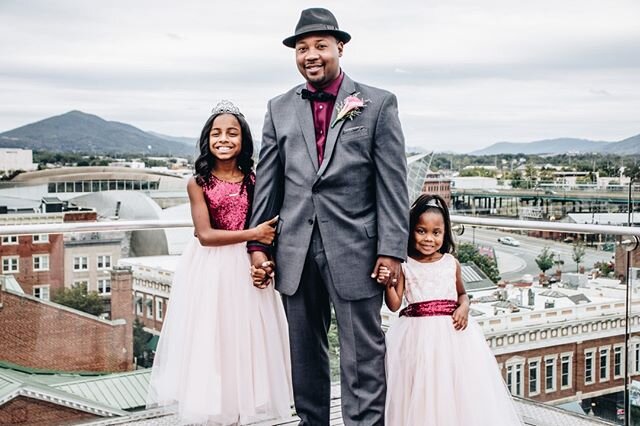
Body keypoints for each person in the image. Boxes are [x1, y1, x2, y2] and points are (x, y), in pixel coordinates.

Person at [248, 7, 409, 425]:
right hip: (294, 250)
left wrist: (391, 251)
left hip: (358, 248)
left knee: (363, 354)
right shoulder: (278, 108)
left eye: (320, 45)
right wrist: (257, 246)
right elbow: (268, 182)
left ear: (341, 46)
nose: (310, 55)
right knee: (304, 354)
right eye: (302, 48)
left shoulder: (377, 104)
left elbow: (392, 185)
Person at [146, 100, 292, 425]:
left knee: (246, 339)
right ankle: (216, 410)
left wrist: (262, 257)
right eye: (216, 133)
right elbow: (205, 234)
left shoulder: (255, 181)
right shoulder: (198, 182)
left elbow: (271, 225)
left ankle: (241, 410)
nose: (223, 139)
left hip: (246, 266)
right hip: (210, 268)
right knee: (212, 338)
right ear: (207, 139)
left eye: (232, 133)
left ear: (244, 141)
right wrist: (253, 232)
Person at [380, 194, 523, 425]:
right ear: (411, 231)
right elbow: (395, 304)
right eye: (421, 231)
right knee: (424, 390)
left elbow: (462, 294)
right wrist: (389, 284)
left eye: (436, 232)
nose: (429, 238)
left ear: (444, 233)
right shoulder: (406, 265)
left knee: (455, 389)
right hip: (417, 339)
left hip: (453, 337)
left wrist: (464, 308)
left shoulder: (450, 263)